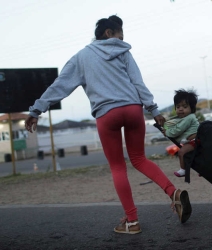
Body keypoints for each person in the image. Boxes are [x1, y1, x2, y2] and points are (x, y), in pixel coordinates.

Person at [24, 15, 192, 234]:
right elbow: (138, 82)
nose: (122, 40)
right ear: (108, 33)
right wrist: (154, 110)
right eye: (120, 35)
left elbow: (60, 86)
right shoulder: (124, 52)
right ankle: (172, 192)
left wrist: (37, 110)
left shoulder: (81, 57)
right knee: (140, 159)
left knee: (117, 166)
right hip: (133, 109)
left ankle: (132, 221)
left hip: (107, 113)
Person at [162, 89, 199, 177]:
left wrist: (167, 132)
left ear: (192, 108)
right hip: (190, 141)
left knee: (181, 152)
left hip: (195, 140)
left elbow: (178, 129)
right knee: (195, 156)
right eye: (178, 107)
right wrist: (165, 128)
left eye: (185, 107)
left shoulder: (189, 118)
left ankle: (183, 170)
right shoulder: (180, 118)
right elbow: (170, 124)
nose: (181, 109)